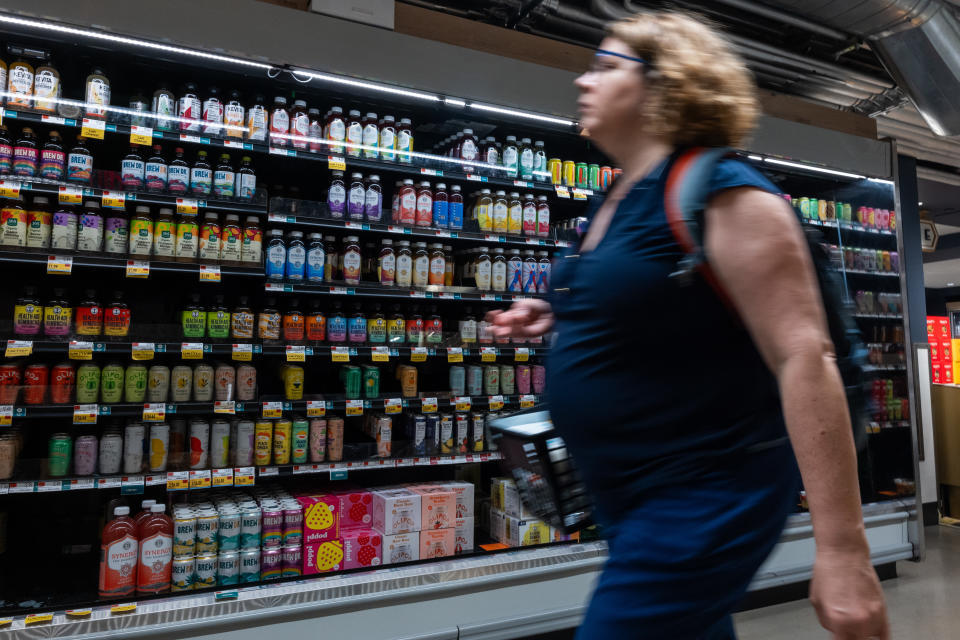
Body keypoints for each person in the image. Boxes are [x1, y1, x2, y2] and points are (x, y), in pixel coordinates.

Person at [488, 10, 889, 640]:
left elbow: (804, 358)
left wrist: (843, 550)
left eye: (604, 66)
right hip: (628, 497)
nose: (583, 81)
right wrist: (556, 313)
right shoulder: (616, 199)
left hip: (706, 492)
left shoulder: (725, 194)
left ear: (663, 84)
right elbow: (651, 298)